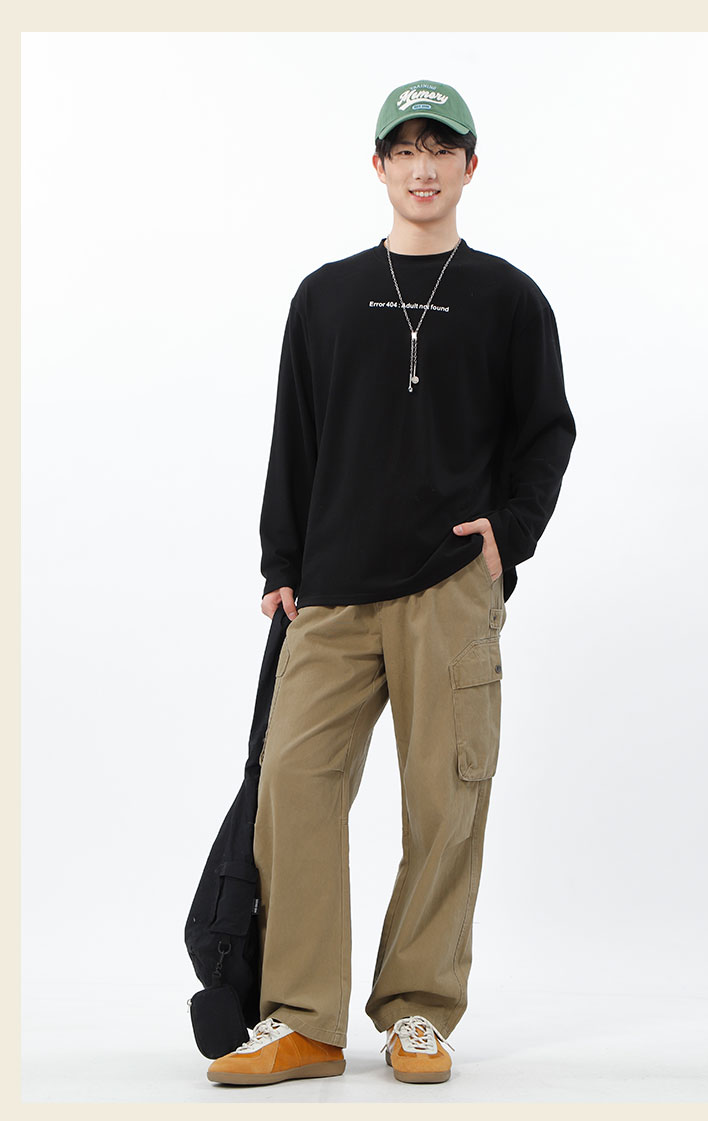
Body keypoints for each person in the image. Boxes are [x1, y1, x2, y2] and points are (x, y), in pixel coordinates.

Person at [206, 78, 576, 1088]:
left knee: (444, 800)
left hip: (450, 586)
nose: (423, 167)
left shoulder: (507, 297)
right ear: (378, 165)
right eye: (405, 149)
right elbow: (295, 436)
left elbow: (547, 432)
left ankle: (416, 1009)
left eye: (440, 148)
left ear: (469, 166)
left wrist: (508, 535)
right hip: (330, 588)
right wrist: (282, 563)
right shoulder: (324, 295)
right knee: (294, 785)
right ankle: (304, 1020)